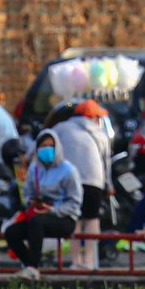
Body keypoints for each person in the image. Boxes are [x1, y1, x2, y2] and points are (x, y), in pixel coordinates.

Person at [3, 130, 82, 282]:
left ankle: (32, 267)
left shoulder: (69, 171)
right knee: (11, 231)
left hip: (64, 217)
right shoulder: (34, 169)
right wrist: (31, 202)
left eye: (51, 146)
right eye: (43, 146)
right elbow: (27, 193)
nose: (47, 150)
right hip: (38, 213)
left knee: (37, 223)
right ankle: (30, 266)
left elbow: (75, 202)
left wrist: (52, 209)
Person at [52, 101, 111, 272]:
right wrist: (108, 184)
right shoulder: (100, 133)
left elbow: (44, 143)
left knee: (74, 218)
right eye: (98, 117)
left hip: (69, 178)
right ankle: (90, 261)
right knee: (92, 219)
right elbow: (106, 162)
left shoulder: (61, 128)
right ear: (91, 117)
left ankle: (76, 262)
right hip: (94, 179)